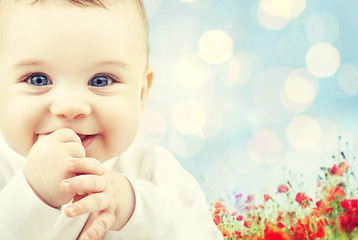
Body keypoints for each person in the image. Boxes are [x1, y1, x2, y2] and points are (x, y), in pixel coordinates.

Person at [0, 0, 223, 239]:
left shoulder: (152, 170)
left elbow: (203, 234)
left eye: (101, 81)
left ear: (140, 94)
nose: (71, 107)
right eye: (38, 80)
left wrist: (132, 206)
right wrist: (32, 193)